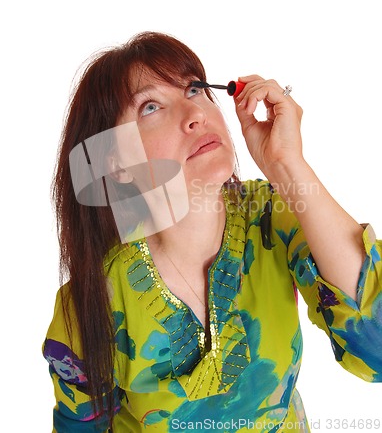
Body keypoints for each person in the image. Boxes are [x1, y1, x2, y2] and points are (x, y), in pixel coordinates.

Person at [43, 31, 382, 432]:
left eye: (194, 88)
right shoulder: (90, 306)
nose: (195, 113)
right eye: (150, 106)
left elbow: (376, 349)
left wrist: (288, 165)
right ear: (115, 162)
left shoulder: (274, 218)